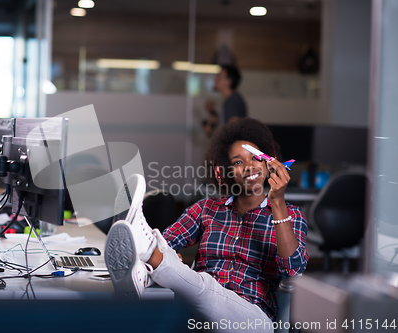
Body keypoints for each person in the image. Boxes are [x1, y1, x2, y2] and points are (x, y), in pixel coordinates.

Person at [105, 117, 308, 333]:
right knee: (171, 265)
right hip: (195, 312)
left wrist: (277, 203)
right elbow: (168, 240)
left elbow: (293, 269)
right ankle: (145, 267)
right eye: (238, 162)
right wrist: (169, 253)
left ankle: (148, 261)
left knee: (202, 286)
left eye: (256, 158)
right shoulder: (207, 208)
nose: (249, 167)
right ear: (226, 171)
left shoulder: (291, 214)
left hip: (252, 318)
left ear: (269, 162)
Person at [203, 65, 248, 137]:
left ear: (228, 81)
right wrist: (211, 111)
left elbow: (232, 133)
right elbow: (225, 122)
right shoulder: (231, 100)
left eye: (219, 76)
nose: (215, 79)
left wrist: (211, 133)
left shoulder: (232, 101)